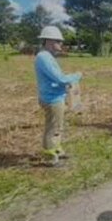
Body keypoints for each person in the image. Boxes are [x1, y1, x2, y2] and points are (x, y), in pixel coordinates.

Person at [34, 26, 82, 167]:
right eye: (58, 41)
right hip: (52, 99)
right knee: (53, 128)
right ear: (49, 41)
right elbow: (60, 78)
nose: (60, 44)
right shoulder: (44, 58)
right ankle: (50, 156)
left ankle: (57, 150)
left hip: (55, 96)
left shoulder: (47, 57)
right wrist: (76, 76)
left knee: (57, 126)